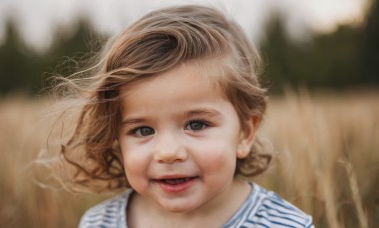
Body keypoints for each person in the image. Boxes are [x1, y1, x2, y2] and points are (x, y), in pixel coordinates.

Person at [55, 4, 314, 227]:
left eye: (196, 124)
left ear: (245, 133)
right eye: (143, 130)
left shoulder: (285, 224)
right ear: (117, 139)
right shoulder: (100, 223)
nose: (168, 152)